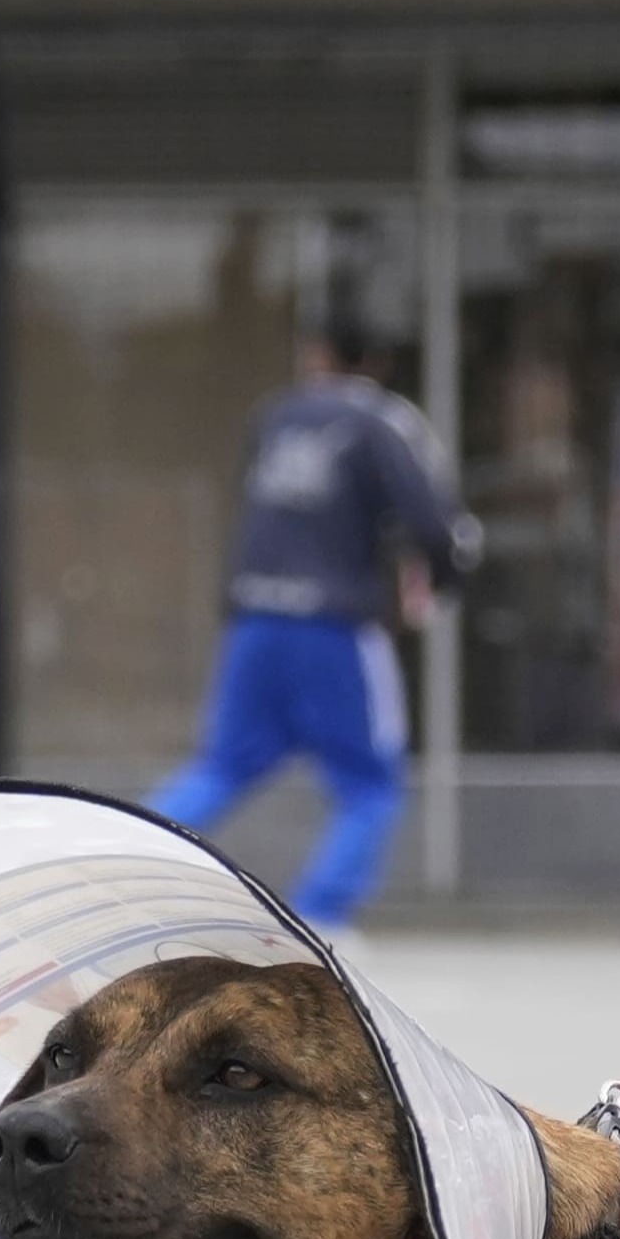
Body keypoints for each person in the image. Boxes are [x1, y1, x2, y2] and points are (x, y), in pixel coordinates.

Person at [148, 325, 470, 930]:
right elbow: (433, 522)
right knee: (371, 784)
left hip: (255, 618)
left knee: (223, 767)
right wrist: (444, 580)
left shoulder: (276, 416)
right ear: (376, 360)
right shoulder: (381, 420)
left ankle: (122, 866)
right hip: (334, 624)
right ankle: (321, 915)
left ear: (314, 357)